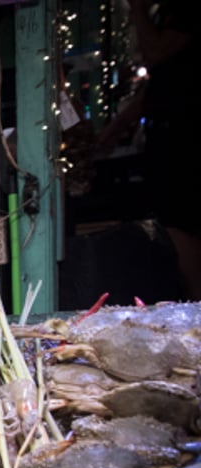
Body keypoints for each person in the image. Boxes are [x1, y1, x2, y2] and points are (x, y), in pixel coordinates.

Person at [96, 0, 200, 299]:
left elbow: (156, 54)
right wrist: (113, 130)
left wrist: (138, 10)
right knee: (173, 223)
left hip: (186, 135)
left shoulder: (185, 11)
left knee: (183, 226)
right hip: (168, 135)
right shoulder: (167, 14)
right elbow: (155, 84)